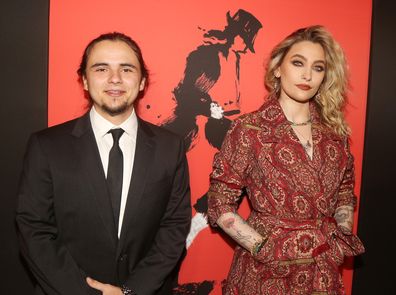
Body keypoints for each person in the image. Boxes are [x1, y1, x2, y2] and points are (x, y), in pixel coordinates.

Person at [16, 32, 191, 295]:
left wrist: (131, 291)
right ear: (85, 81)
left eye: (127, 69)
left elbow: (174, 226)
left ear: (142, 81)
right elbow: (34, 229)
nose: (115, 79)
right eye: (101, 68)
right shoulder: (47, 146)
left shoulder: (171, 147)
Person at [207, 25, 365, 295]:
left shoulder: (335, 133)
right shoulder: (250, 129)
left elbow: (344, 193)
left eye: (318, 67)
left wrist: (340, 235)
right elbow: (219, 203)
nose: (307, 75)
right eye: (298, 63)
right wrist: (263, 247)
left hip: (322, 269)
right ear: (278, 68)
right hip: (265, 273)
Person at [162, 9, 262, 150]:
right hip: (195, 127)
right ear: (236, 35)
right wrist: (208, 108)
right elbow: (183, 91)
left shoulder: (235, 59)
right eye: (246, 41)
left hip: (221, 126)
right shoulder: (202, 55)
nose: (247, 48)